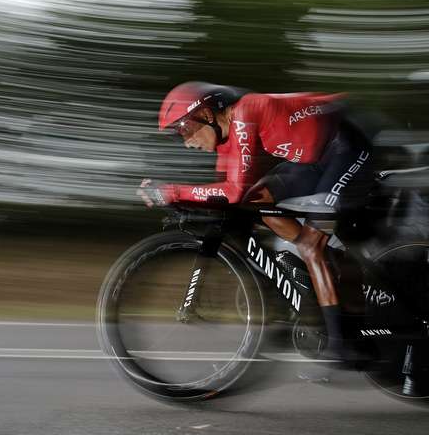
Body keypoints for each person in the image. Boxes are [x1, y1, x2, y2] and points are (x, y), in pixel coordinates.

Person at [138, 81, 373, 361]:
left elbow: (232, 191)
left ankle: (339, 341)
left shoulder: (245, 112)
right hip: (315, 159)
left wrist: (173, 191)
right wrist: (182, 202)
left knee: (311, 245)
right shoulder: (228, 141)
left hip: (348, 147)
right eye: (180, 135)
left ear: (207, 114)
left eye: (185, 129)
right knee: (256, 200)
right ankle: (320, 267)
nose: (187, 142)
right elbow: (224, 196)